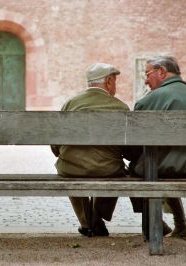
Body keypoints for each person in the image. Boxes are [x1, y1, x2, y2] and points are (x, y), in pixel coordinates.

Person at [127, 55, 186, 239]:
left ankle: (153, 226)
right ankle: (181, 225)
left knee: (137, 170)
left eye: (148, 74)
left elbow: (134, 141)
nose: (145, 79)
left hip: (168, 166)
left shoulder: (152, 98)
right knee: (161, 165)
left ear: (162, 72)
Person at [51, 63, 129, 237]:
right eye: (115, 81)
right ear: (109, 81)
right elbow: (129, 149)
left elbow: (55, 145)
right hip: (108, 169)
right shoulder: (120, 107)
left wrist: (64, 154)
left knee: (71, 167)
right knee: (115, 169)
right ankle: (97, 218)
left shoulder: (70, 104)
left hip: (71, 167)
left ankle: (88, 222)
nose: (115, 86)